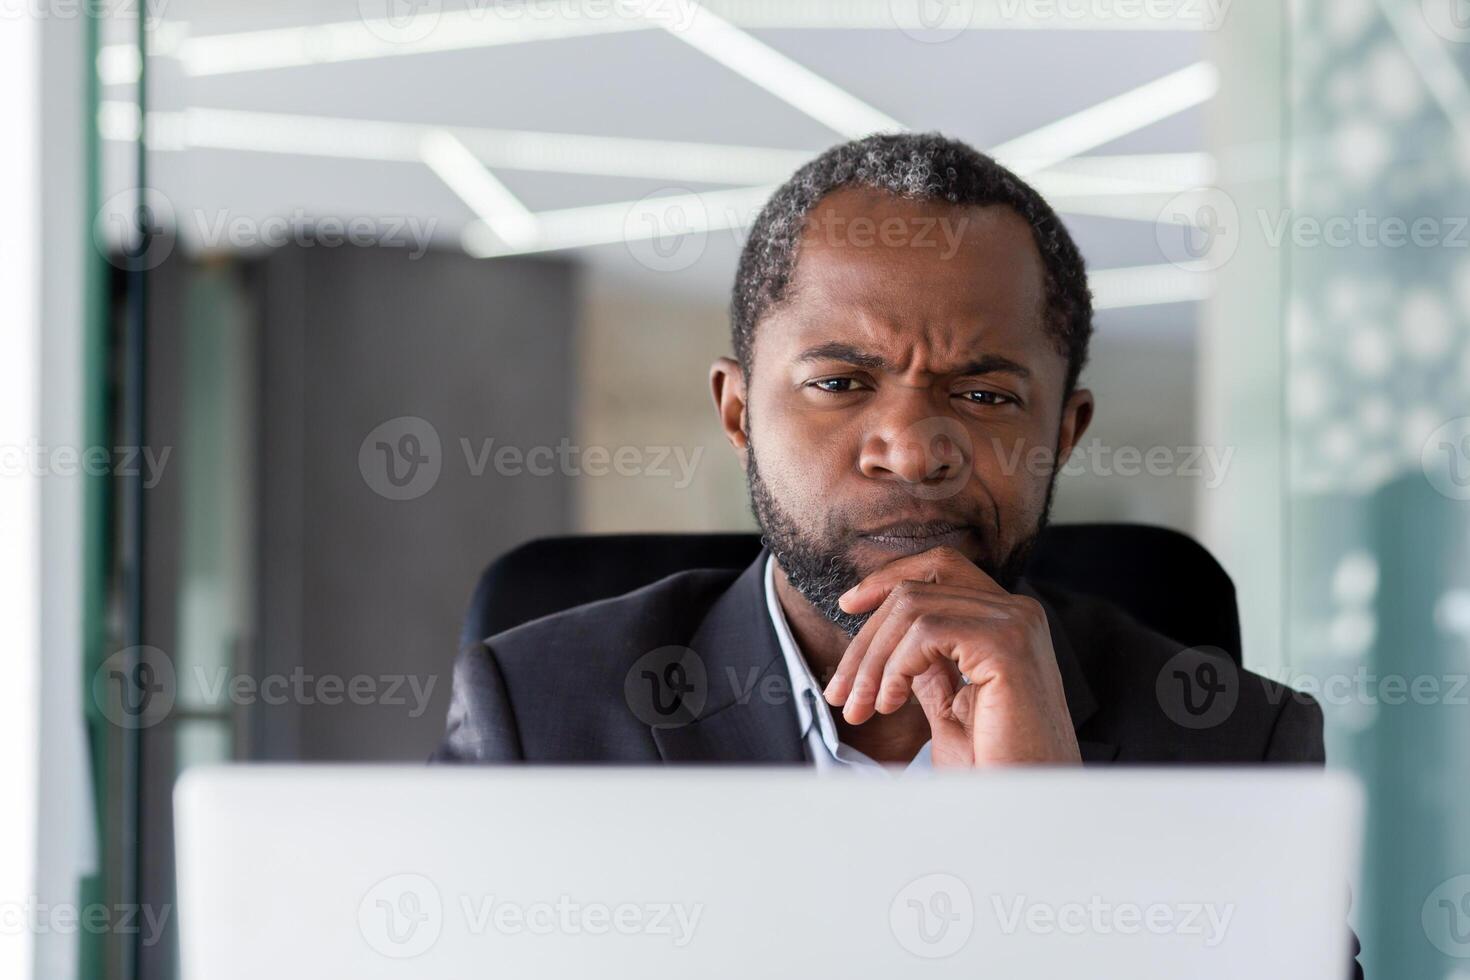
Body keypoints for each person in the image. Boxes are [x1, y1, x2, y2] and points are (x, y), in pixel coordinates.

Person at [432, 132, 1360, 976]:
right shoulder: (539, 722)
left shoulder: (1238, 748)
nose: (912, 448)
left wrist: (1055, 842)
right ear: (738, 411)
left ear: (1063, 434)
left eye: (988, 396)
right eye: (839, 382)